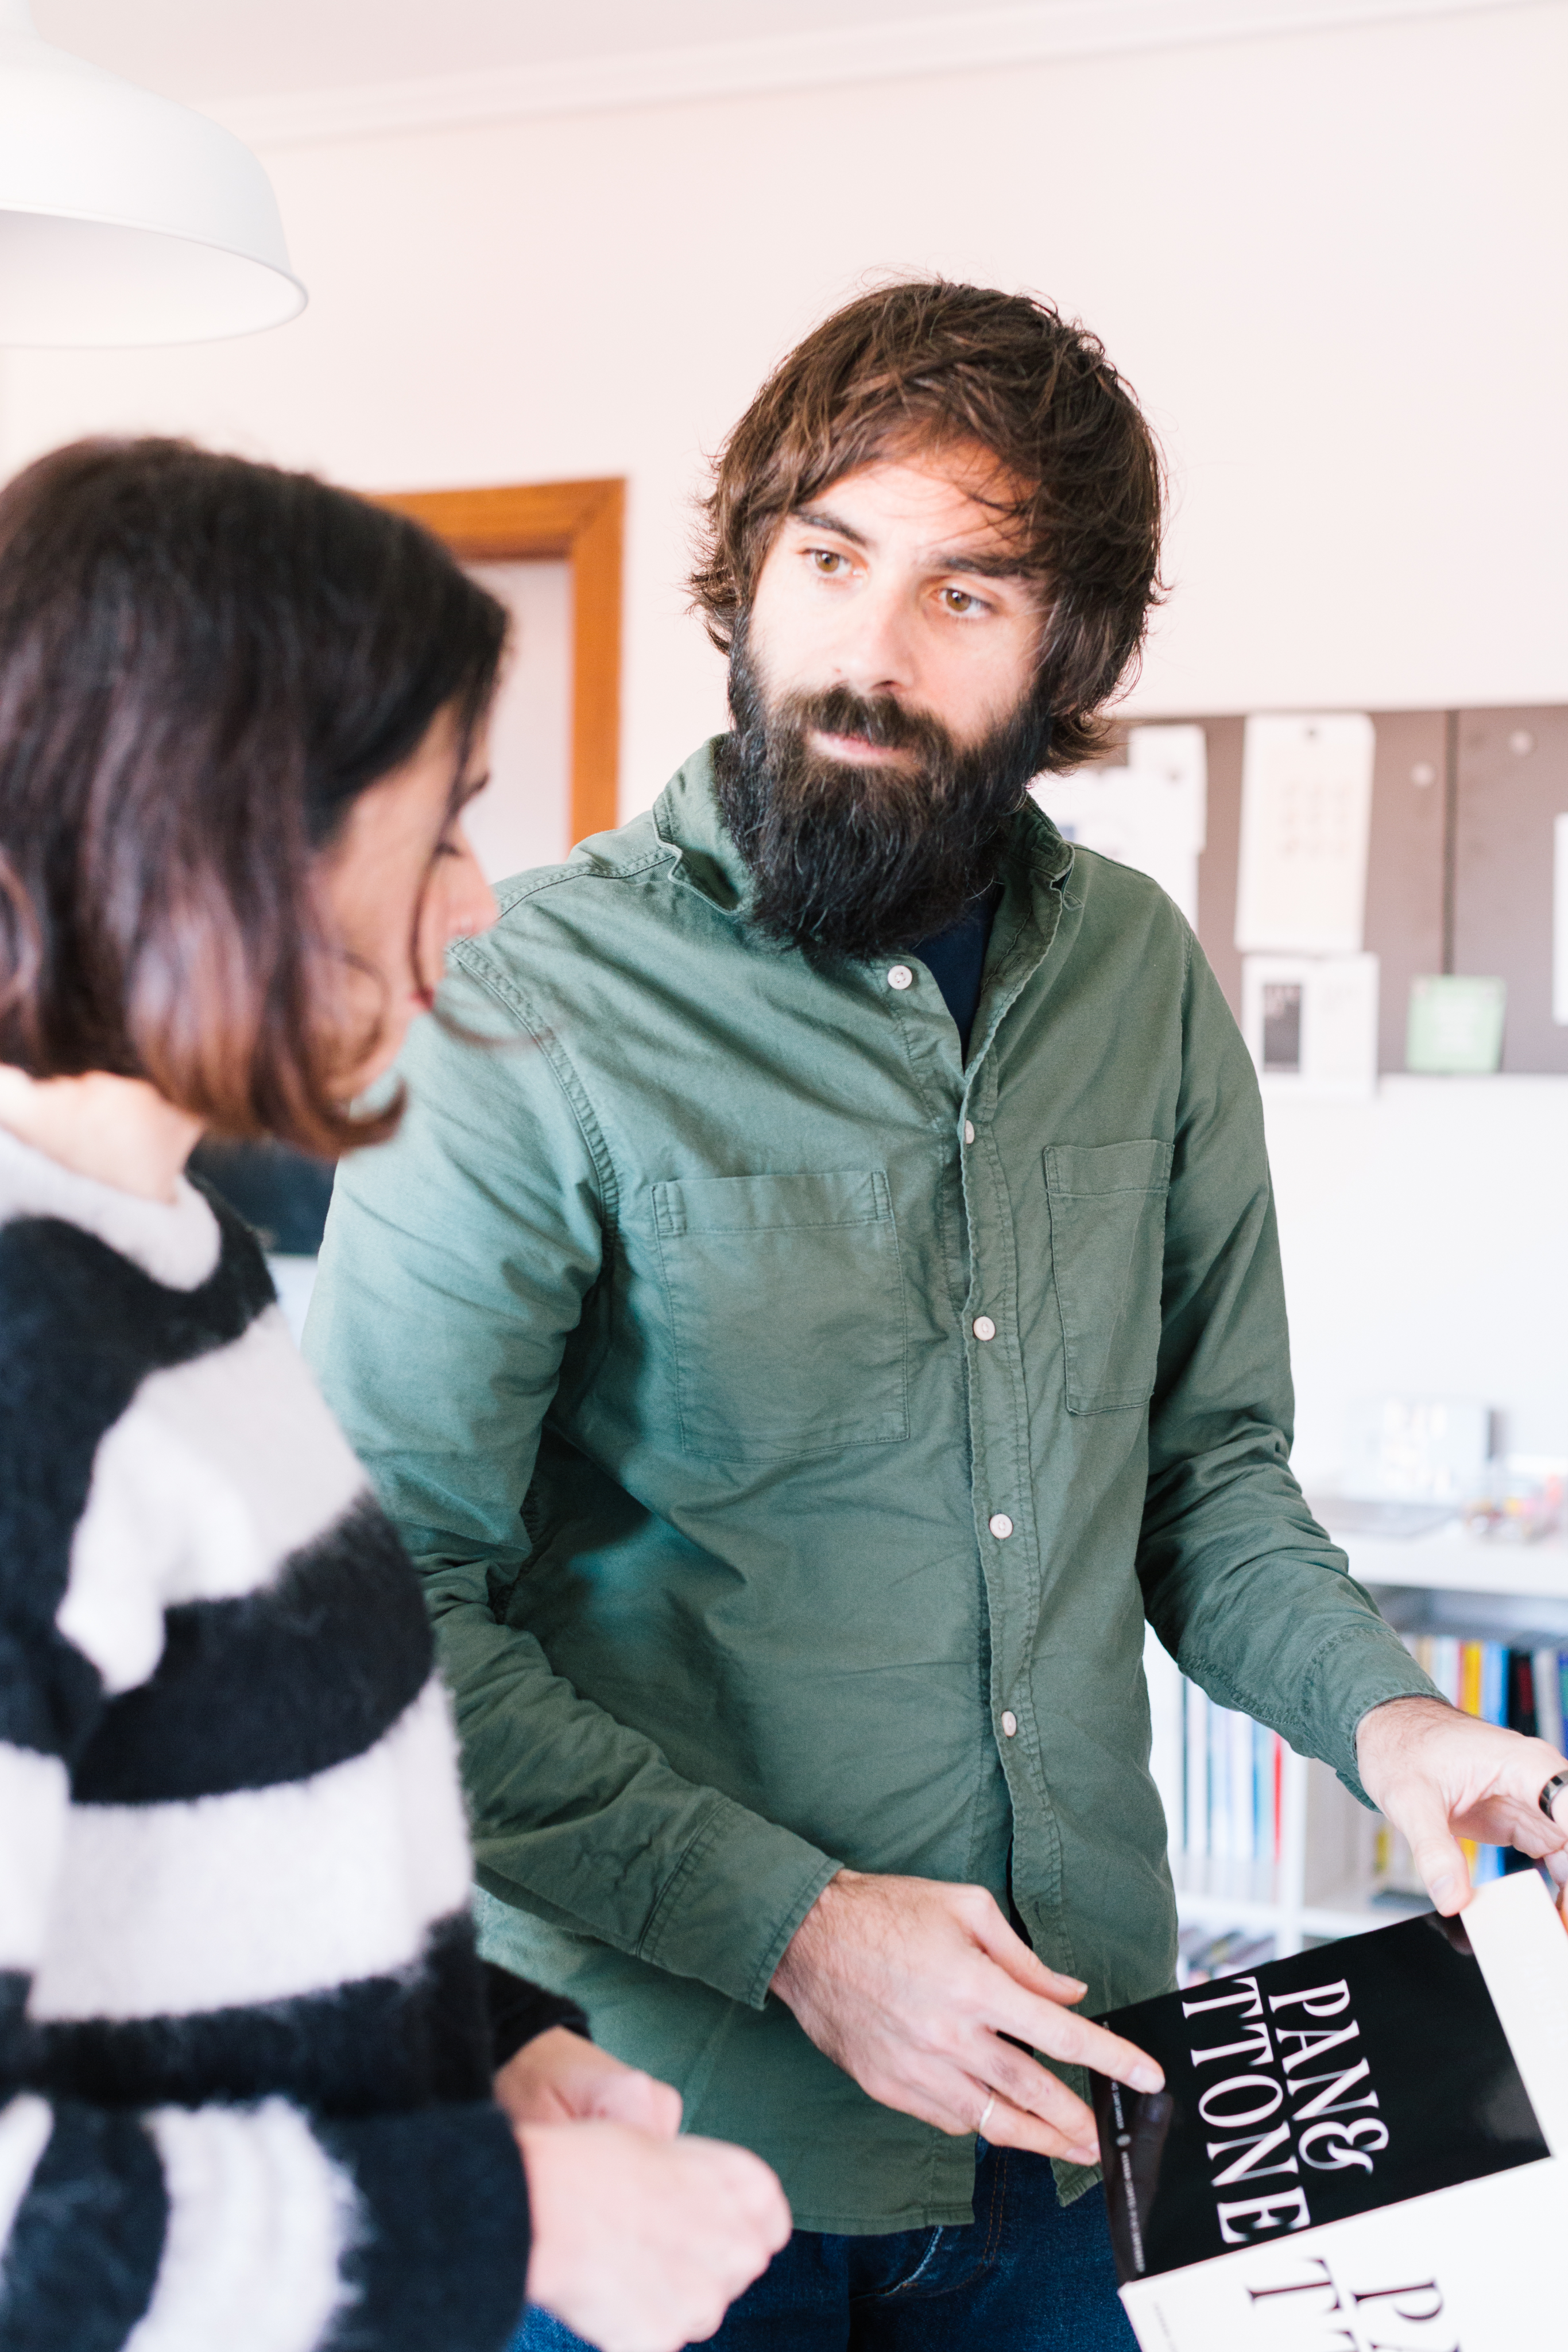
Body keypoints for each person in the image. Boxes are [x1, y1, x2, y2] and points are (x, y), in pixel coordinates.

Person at [305, 282, 1568, 2349]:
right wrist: (793, 1930)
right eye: (826, 563)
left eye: (964, 593)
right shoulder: (524, 1002)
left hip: (1096, 2131)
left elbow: (1203, 1479)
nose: (866, 657)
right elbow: (376, 1615)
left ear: (1067, 653)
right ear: (747, 577)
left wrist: (1392, 1719)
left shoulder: (1138, 978)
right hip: (674, 2149)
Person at [0, 438, 789, 2352]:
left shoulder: (173, 1247)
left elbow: (191, 1890)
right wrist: (501, 2217)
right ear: (233, 826)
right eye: (438, 824)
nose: (473, 900)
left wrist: (479, 2065)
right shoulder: (27, 1356)